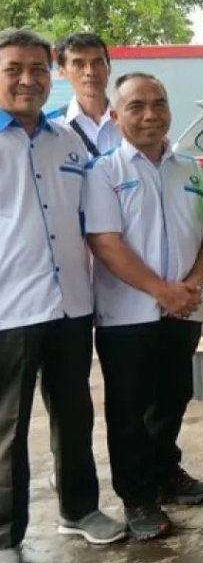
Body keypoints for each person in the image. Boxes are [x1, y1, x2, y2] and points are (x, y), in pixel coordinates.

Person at [0, 28, 125, 563]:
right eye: (13, 70)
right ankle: (6, 535)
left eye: (37, 69)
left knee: (75, 414)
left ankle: (79, 509)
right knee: (8, 428)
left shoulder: (66, 141)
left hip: (71, 305)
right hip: (9, 310)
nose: (27, 80)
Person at [83, 72, 203, 539]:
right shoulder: (103, 171)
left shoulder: (189, 167)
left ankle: (165, 472)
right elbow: (106, 242)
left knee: (173, 397)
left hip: (182, 310)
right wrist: (160, 290)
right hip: (128, 316)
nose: (150, 115)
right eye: (136, 106)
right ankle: (138, 498)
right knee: (129, 411)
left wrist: (193, 281)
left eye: (158, 104)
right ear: (115, 116)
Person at [51, 32, 121, 156]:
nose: (90, 71)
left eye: (97, 63)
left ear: (108, 68)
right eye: (78, 64)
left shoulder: (131, 122)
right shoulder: (51, 127)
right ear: (62, 72)